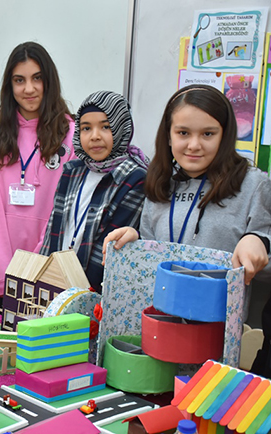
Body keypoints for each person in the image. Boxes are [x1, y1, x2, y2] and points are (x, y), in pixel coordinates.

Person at [101, 85, 271, 373]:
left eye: (208, 134)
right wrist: (136, 242)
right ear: (168, 135)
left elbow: (263, 254)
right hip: (160, 332)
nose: (194, 145)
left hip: (216, 339)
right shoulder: (161, 182)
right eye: (183, 133)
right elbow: (154, 256)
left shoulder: (253, 184)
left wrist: (258, 241)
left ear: (225, 135)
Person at [0, 41, 75, 307]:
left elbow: (65, 208)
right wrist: (3, 273)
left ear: (49, 81)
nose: (29, 89)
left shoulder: (71, 134)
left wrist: (36, 267)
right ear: (10, 86)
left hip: (48, 271)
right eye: (19, 80)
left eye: (37, 78)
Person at [40, 91, 148, 291]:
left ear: (121, 128)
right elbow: (53, 230)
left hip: (95, 289)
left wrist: (81, 293)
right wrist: (44, 279)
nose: (95, 136)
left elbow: (109, 249)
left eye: (105, 127)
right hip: (56, 283)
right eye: (86, 128)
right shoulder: (72, 170)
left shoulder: (135, 178)